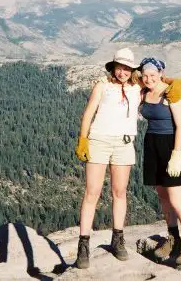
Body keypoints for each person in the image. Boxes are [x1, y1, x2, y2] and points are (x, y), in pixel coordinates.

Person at [73, 47, 141, 269]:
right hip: (99, 141)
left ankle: (117, 239)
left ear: (132, 70)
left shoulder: (137, 88)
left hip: (124, 144)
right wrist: (83, 139)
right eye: (119, 68)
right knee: (92, 193)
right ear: (114, 67)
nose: (122, 72)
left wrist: (173, 82)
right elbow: (89, 112)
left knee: (119, 192)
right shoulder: (103, 85)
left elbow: (159, 82)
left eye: (127, 69)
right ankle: (83, 246)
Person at [139, 57, 181, 265]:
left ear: (160, 74)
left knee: (176, 198)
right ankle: (173, 238)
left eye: (153, 75)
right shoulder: (145, 91)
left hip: (171, 146)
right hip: (152, 145)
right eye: (145, 75)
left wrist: (176, 154)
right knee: (163, 197)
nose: (148, 79)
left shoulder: (171, 93)